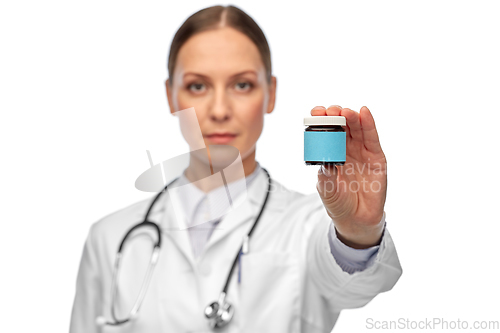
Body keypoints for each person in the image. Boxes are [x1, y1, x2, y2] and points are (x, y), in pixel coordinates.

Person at [70, 5, 402, 333]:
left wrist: (357, 234)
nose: (219, 110)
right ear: (170, 97)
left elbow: (357, 285)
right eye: (197, 86)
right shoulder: (109, 237)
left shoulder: (310, 226)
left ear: (271, 94)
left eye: (241, 85)